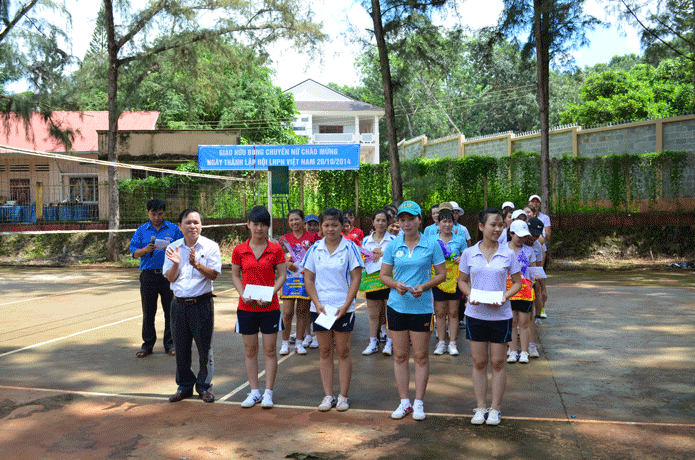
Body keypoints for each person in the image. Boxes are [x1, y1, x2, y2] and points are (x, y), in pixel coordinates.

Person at [379, 201, 446, 421]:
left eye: (411, 219)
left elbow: (442, 274)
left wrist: (424, 286)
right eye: (402, 219)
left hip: (422, 308)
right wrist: (395, 285)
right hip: (396, 307)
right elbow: (383, 275)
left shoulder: (431, 244)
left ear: (419, 220)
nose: (406, 224)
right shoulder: (393, 246)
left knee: (420, 356)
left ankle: (418, 403)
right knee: (399, 355)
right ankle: (404, 402)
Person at [458, 208, 521, 425]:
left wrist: (505, 296)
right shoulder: (469, 253)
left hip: (500, 316)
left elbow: (517, 283)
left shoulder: (508, 253)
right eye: (493, 224)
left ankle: (495, 409)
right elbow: (462, 281)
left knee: (498, 362)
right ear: (481, 226)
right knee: (479, 362)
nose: (497, 229)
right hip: (475, 314)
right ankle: (480, 407)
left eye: (500, 225)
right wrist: (469, 295)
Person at [303, 208, 364, 412]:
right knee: (325, 352)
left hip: (343, 308)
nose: (330, 229)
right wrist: (317, 303)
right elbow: (308, 279)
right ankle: (328, 396)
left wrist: (346, 305)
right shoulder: (315, 249)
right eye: (326, 225)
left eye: (335, 225)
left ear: (342, 226)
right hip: (321, 309)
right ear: (321, 227)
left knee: (343, 351)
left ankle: (343, 396)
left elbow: (356, 278)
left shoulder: (350, 248)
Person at [231, 206, 287, 408]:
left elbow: (282, 275)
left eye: (263, 224)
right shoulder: (239, 250)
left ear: (268, 227)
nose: (259, 228)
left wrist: (271, 293)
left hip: (269, 308)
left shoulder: (276, 249)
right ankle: (254, 392)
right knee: (250, 350)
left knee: (270, 350)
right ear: (248, 224)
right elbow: (235, 275)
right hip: (246, 309)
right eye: (255, 224)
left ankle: (268, 393)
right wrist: (242, 293)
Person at [164, 209, 221, 403]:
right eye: (188, 222)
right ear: (179, 226)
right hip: (178, 305)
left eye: (196, 222)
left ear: (201, 226)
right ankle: (184, 386)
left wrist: (196, 264)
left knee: (205, 348)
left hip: (201, 304)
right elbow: (170, 278)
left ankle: (204, 386)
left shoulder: (210, 246)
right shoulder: (172, 248)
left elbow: (214, 275)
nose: (192, 226)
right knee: (181, 348)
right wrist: (176, 264)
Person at [129, 199, 183, 358]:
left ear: (164, 213)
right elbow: (134, 252)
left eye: (160, 214)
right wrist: (145, 250)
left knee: (170, 311)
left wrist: (171, 249)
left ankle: (170, 344)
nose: (157, 217)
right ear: (148, 213)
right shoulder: (141, 230)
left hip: (168, 275)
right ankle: (147, 345)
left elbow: (182, 248)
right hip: (148, 275)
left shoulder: (173, 229)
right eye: (153, 214)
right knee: (148, 312)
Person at [278, 209, 319, 355]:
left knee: (302, 312)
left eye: (297, 219)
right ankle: (284, 343)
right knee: (287, 312)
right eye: (291, 220)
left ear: (303, 221)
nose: (294, 222)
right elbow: (278, 257)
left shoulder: (313, 238)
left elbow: (318, 256)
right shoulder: (284, 239)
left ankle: (299, 343)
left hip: (305, 279)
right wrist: (286, 263)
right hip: (289, 280)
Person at [431, 207, 467, 356]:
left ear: (454, 223)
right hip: (437, 281)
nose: (447, 224)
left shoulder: (460, 239)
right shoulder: (432, 240)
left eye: (450, 221)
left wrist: (461, 258)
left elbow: (466, 257)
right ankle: (441, 342)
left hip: (454, 281)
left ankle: (452, 342)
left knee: (453, 312)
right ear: (438, 223)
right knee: (439, 313)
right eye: (444, 221)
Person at [361, 209, 396, 356]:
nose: (380, 223)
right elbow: (361, 260)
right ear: (373, 222)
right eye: (378, 220)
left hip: (389, 281)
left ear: (387, 223)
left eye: (383, 220)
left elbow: (398, 258)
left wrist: (383, 254)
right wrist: (369, 254)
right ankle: (373, 343)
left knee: (390, 314)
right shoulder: (365, 241)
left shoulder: (394, 240)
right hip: (372, 282)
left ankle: (389, 343)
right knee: (373, 316)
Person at [503, 220, 537, 364]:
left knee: (524, 322)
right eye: (519, 236)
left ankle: (524, 352)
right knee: (511, 322)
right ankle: (512, 351)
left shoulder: (529, 251)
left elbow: (533, 270)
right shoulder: (503, 249)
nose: (521, 239)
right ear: (511, 233)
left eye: (524, 237)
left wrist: (534, 279)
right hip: (508, 291)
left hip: (525, 292)